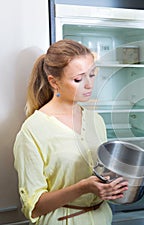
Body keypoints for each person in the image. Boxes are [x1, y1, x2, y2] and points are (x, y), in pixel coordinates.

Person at [13, 39, 128, 225]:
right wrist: (83, 187)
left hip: (103, 218)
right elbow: (34, 207)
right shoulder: (33, 131)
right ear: (54, 82)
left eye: (92, 75)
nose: (89, 85)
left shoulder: (95, 120)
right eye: (78, 79)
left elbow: (103, 173)